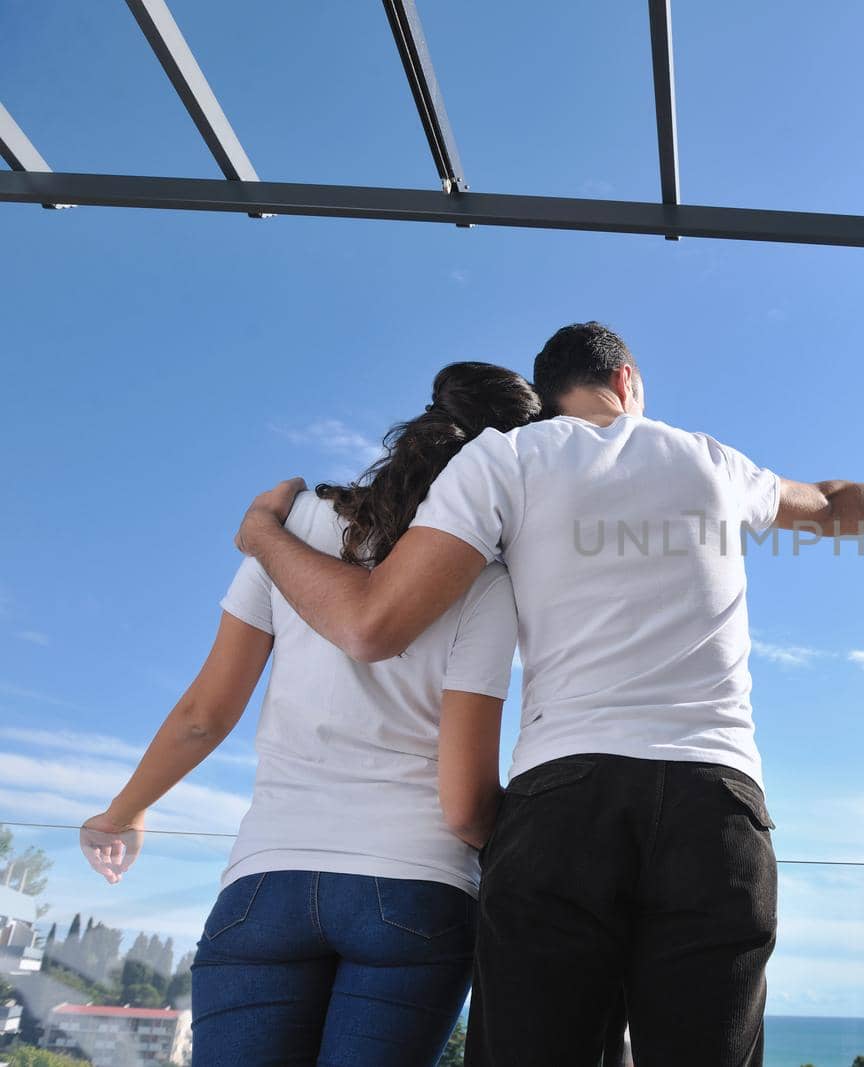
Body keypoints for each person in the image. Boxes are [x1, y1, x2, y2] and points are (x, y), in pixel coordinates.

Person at [233, 322, 864, 1067]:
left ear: (549, 396)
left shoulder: (506, 458)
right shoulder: (712, 461)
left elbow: (373, 626)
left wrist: (265, 534)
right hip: (716, 801)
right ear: (626, 379)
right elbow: (833, 505)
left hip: (563, 801)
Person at [81, 362, 539, 1067]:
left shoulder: (294, 525)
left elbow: (206, 711)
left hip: (265, 884)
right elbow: (464, 806)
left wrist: (124, 810)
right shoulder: (488, 583)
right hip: (417, 888)